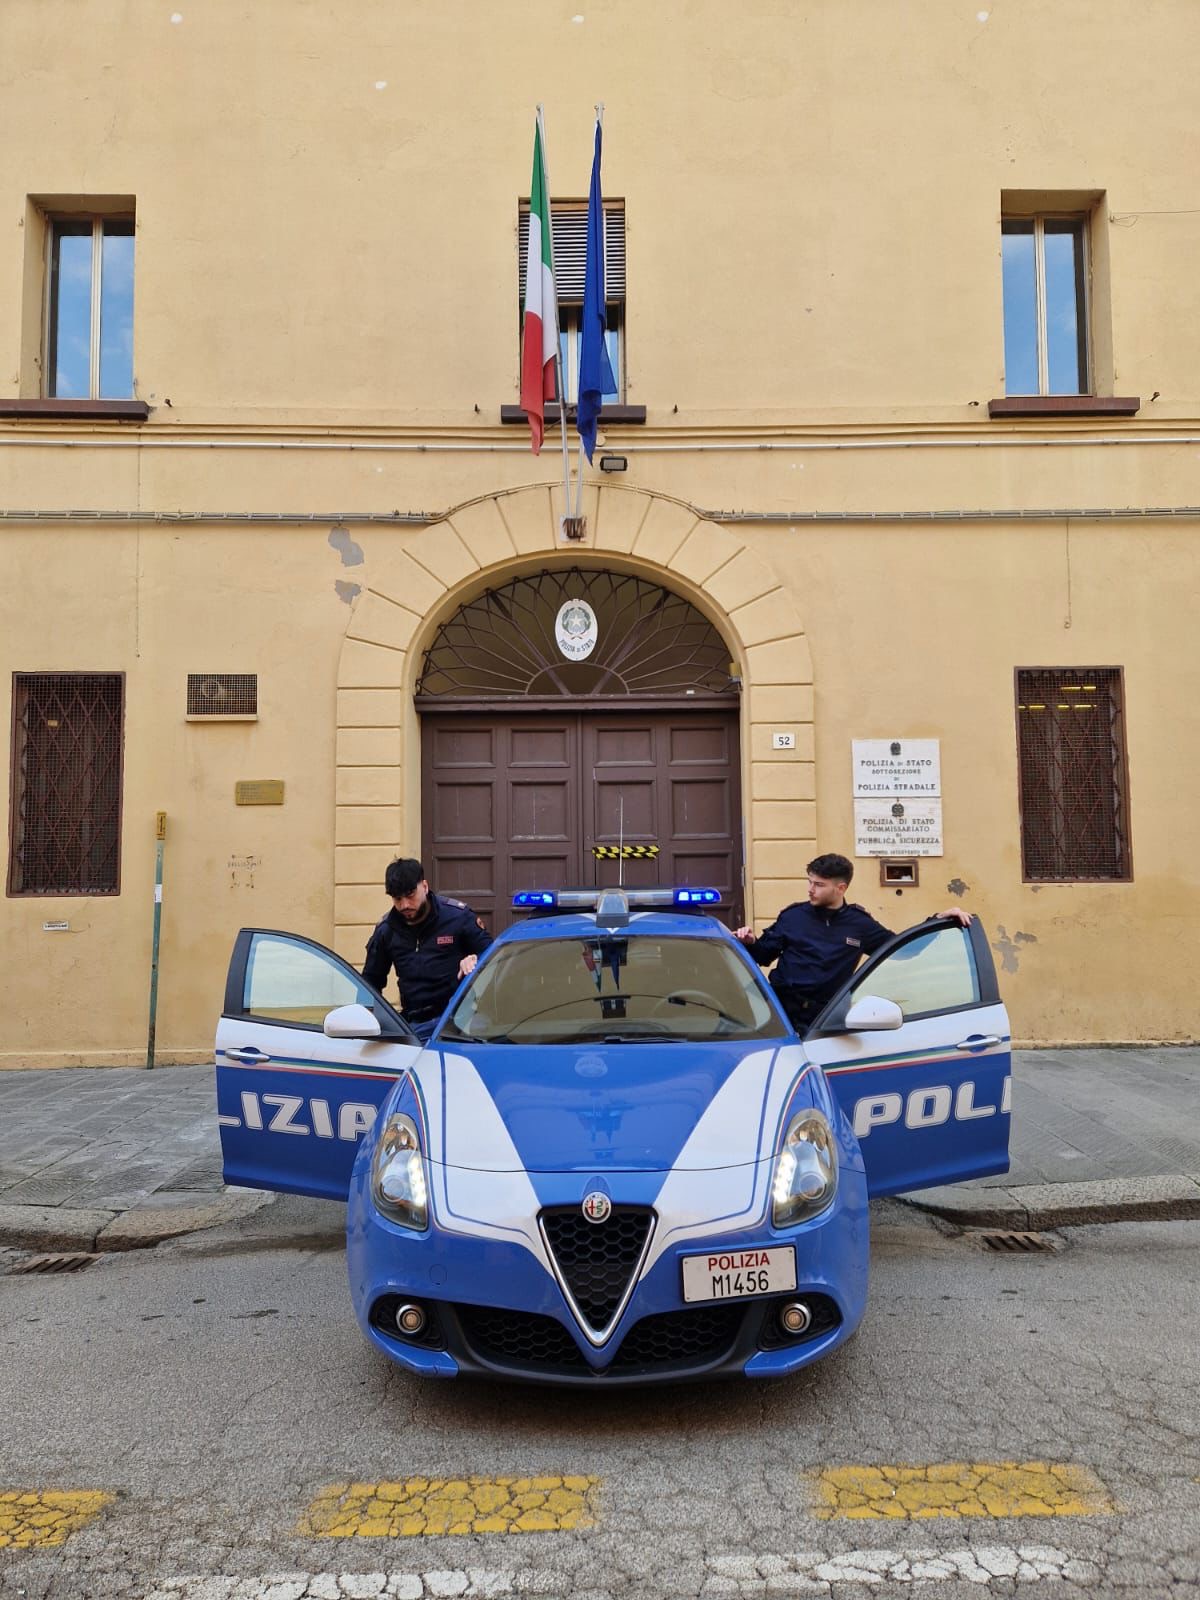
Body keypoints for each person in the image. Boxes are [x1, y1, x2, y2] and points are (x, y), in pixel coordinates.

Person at [733, 851, 971, 1033]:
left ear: (841, 887)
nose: (810, 890)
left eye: (818, 884)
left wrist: (937, 921)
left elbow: (901, 950)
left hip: (826, 1017)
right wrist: (750, 941)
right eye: (810, 882)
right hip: (781, 1010)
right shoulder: (793, 916)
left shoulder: (860, 924)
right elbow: (763, 956)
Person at [363, 858, 493, 1042]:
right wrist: (367, 1024)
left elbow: (494, 956)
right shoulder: (386, 930)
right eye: (397, 898)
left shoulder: (457, 917)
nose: (404, 905)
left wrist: (474, 959)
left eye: (410, 895)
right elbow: (370, 983)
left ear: (424, 886)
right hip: (415, 1025)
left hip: (459, 1020)